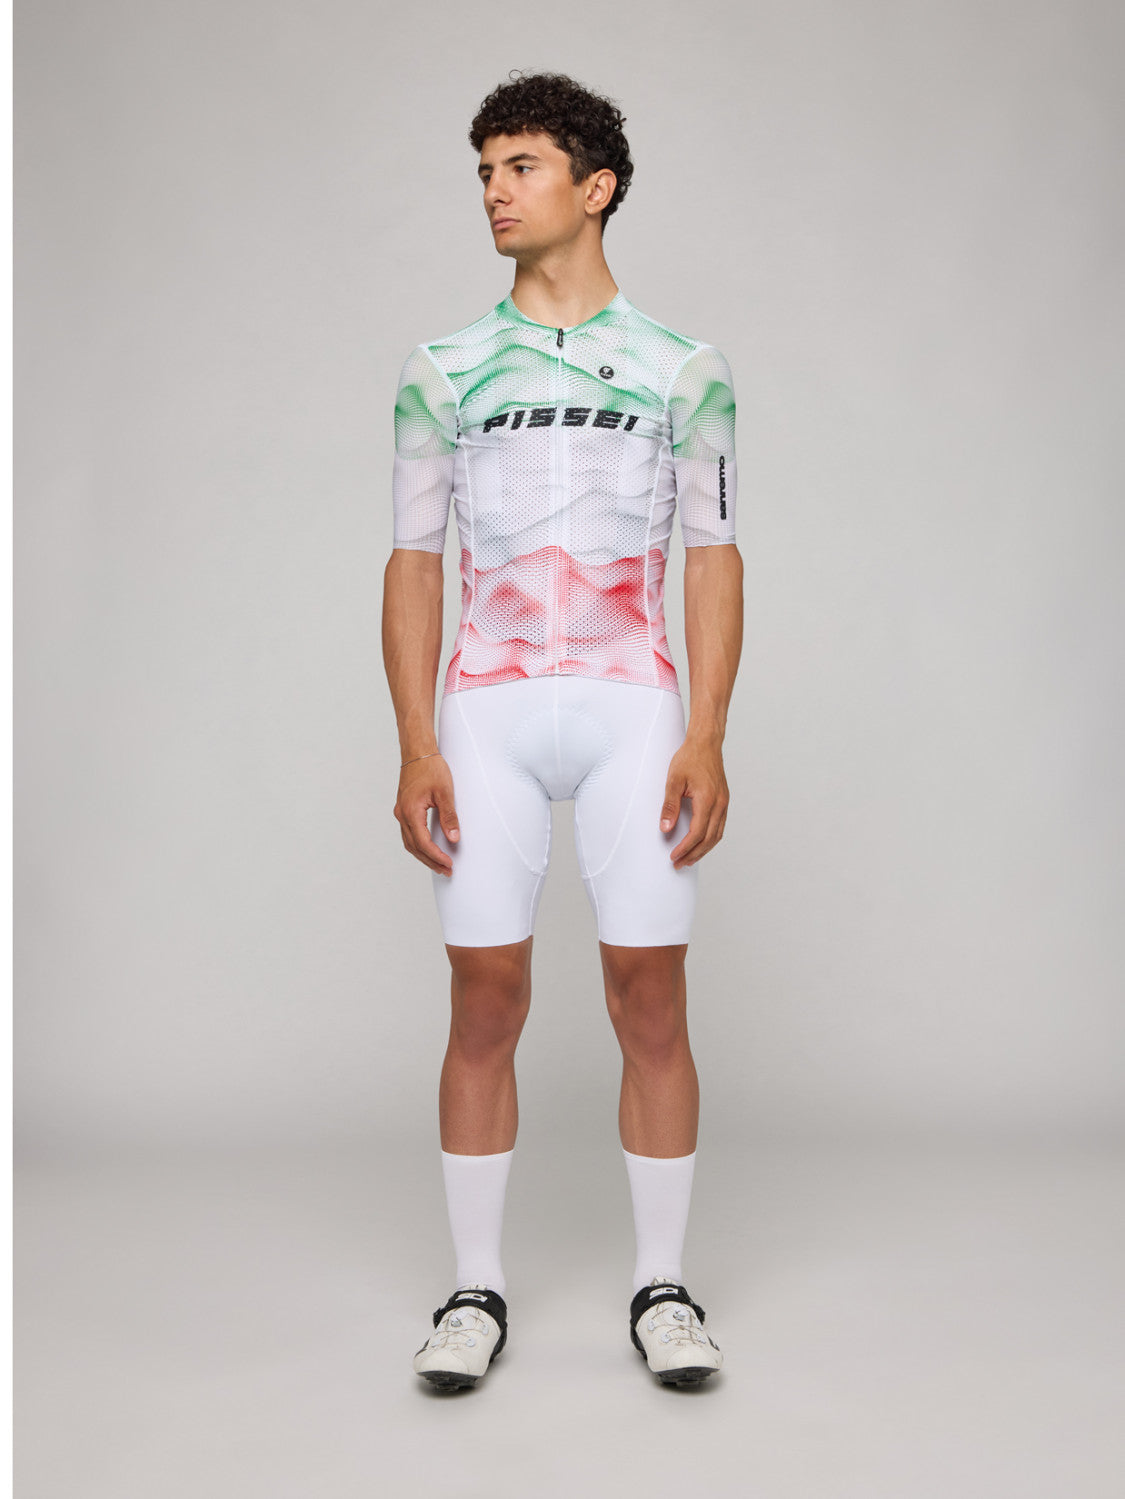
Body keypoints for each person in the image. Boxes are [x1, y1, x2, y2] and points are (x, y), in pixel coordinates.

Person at [382, 69, 743, 1390]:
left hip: (632, 706)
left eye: (519, 165)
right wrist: (416, 744)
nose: (493, 190)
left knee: (650, 995)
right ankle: (473, 1290)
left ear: (595, 187)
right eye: (483, 170)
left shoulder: (684, 368)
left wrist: (706, 733)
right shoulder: (440, 371)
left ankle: (663, 1287)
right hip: (483, 712)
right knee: (485, 997)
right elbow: (412, 562)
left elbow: (714, 556)